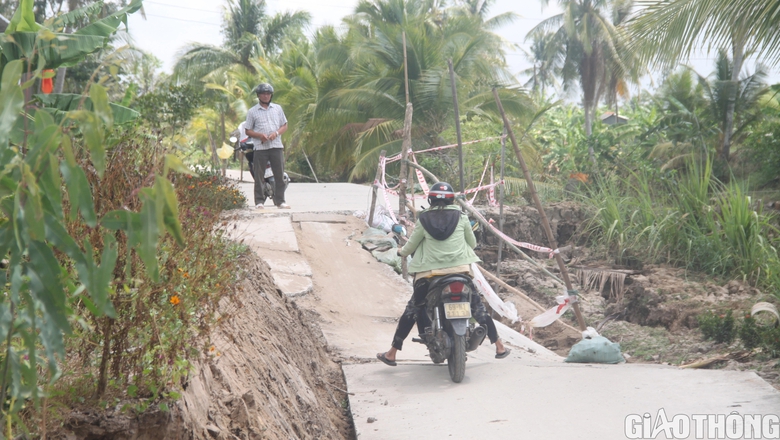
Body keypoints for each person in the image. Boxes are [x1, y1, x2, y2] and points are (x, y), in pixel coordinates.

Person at [376, 182, 510, 367]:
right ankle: (499, 346)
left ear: (430, 200)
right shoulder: (462, 218)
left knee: (413, 309)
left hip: (430, 276)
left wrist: (401, 252)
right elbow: (471, 243)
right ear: (451, 199)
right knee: (478, 308)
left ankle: (392, 353)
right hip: (460, 273)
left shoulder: (423, 220)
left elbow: (411, 246)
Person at [245, 83, 290, 209]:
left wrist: (276, 133)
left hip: (276, 145)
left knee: (279, 174)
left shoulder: (277, 109)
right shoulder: (252, 112)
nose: (266, 96)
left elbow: (284, 125)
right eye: (263, 94)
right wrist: (260, 135)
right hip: (260, 147)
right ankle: (259, 201)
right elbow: (247, 130)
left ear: (271, 95)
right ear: (258, 95)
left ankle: (280, 201)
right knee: (259, 175)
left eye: (268, 94)